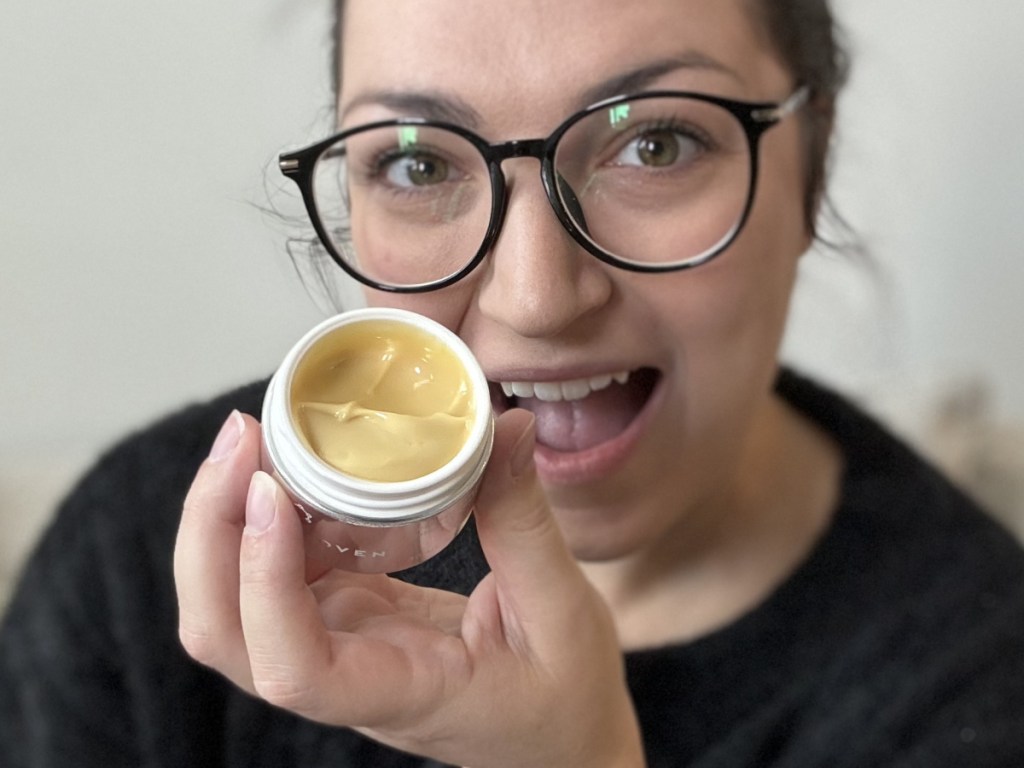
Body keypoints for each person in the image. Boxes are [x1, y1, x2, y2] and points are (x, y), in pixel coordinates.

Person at [2, 0, 1024, 765]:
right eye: (415, 162)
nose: (538, 298)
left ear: (816, 159)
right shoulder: (138, 568)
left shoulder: (975, 683)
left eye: (655, 142)